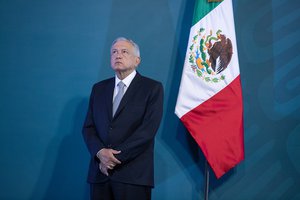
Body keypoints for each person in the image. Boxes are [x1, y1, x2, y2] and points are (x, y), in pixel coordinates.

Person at [82, 37, 164, 200]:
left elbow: (147, 131)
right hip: (100, 174)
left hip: (133, 176)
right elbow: (88, 128)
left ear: (137, 60)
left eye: (124, 51)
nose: (118, 55)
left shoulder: (152, 88)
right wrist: (100, 153)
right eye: (114, 52)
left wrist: (112, 159)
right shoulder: (99, 89)